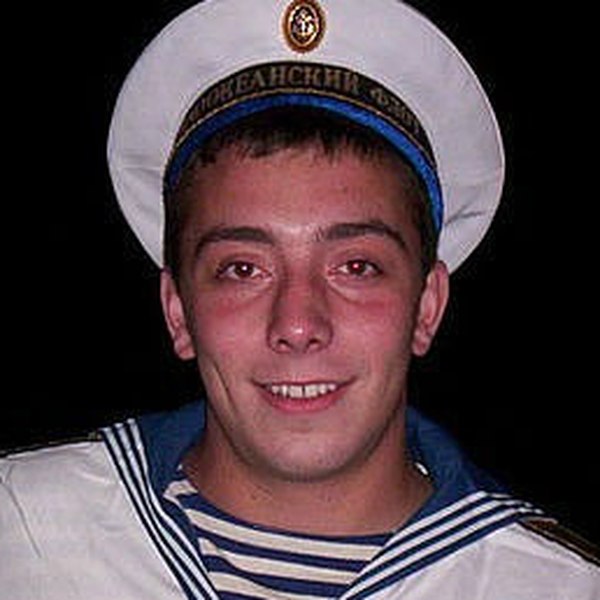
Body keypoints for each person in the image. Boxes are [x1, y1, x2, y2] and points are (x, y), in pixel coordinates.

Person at [1, 1, 598, 598]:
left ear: (426, 306)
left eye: (356, 267)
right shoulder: (23, 531)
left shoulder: (551, 585)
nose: (297, 324)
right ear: (177, 311)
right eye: (243, 269)